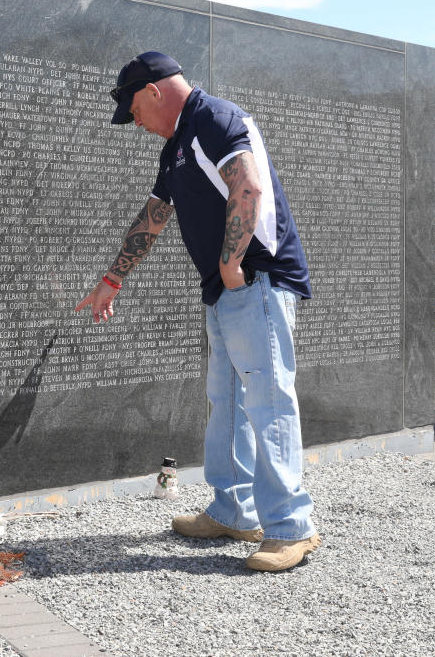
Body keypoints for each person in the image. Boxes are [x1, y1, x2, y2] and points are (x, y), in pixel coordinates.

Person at [75, 51, 320, 572]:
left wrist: (232, 263)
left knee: (269, 402)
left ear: (154, 90)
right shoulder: (177, 145)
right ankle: (233, 510)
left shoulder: (214, 119)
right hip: (226, 290)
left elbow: (248, 185)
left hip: (255, 281)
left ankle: (291, 528)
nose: (136, 124)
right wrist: (112, 278)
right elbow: (154, 216)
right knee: (227, 401)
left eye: (134, 111)